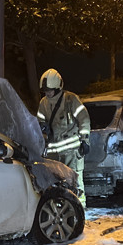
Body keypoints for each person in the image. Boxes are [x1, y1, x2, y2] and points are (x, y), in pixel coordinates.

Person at [36, 68, 90, 208]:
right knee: (56, 182)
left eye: (50, 90)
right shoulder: (43, 103)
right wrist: (42, 127)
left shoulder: (70, 100)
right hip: (53, 153)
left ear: (58, 87)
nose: (47, 93)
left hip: (71, 151)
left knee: (75, 181)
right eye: (45, 90)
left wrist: (85, 140)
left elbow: (84, 119)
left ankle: (79, 208)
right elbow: (39, 120)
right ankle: (61, 208)